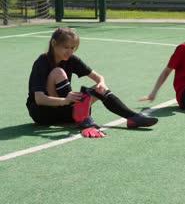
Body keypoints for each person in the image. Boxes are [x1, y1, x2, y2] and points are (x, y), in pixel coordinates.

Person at [26, 27, 158, 138]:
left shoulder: (71, 59)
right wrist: (65, 100)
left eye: (73, 47)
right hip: (43, 113)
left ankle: (132, 117)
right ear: (54, 43)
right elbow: (39, 99)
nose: (70, 51)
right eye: (66, 47)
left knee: (99, 89)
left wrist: (101, 83)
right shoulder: (41, 62)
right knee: (58, 72)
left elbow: (98, 77)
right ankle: (80, 115)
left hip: (65, 110)